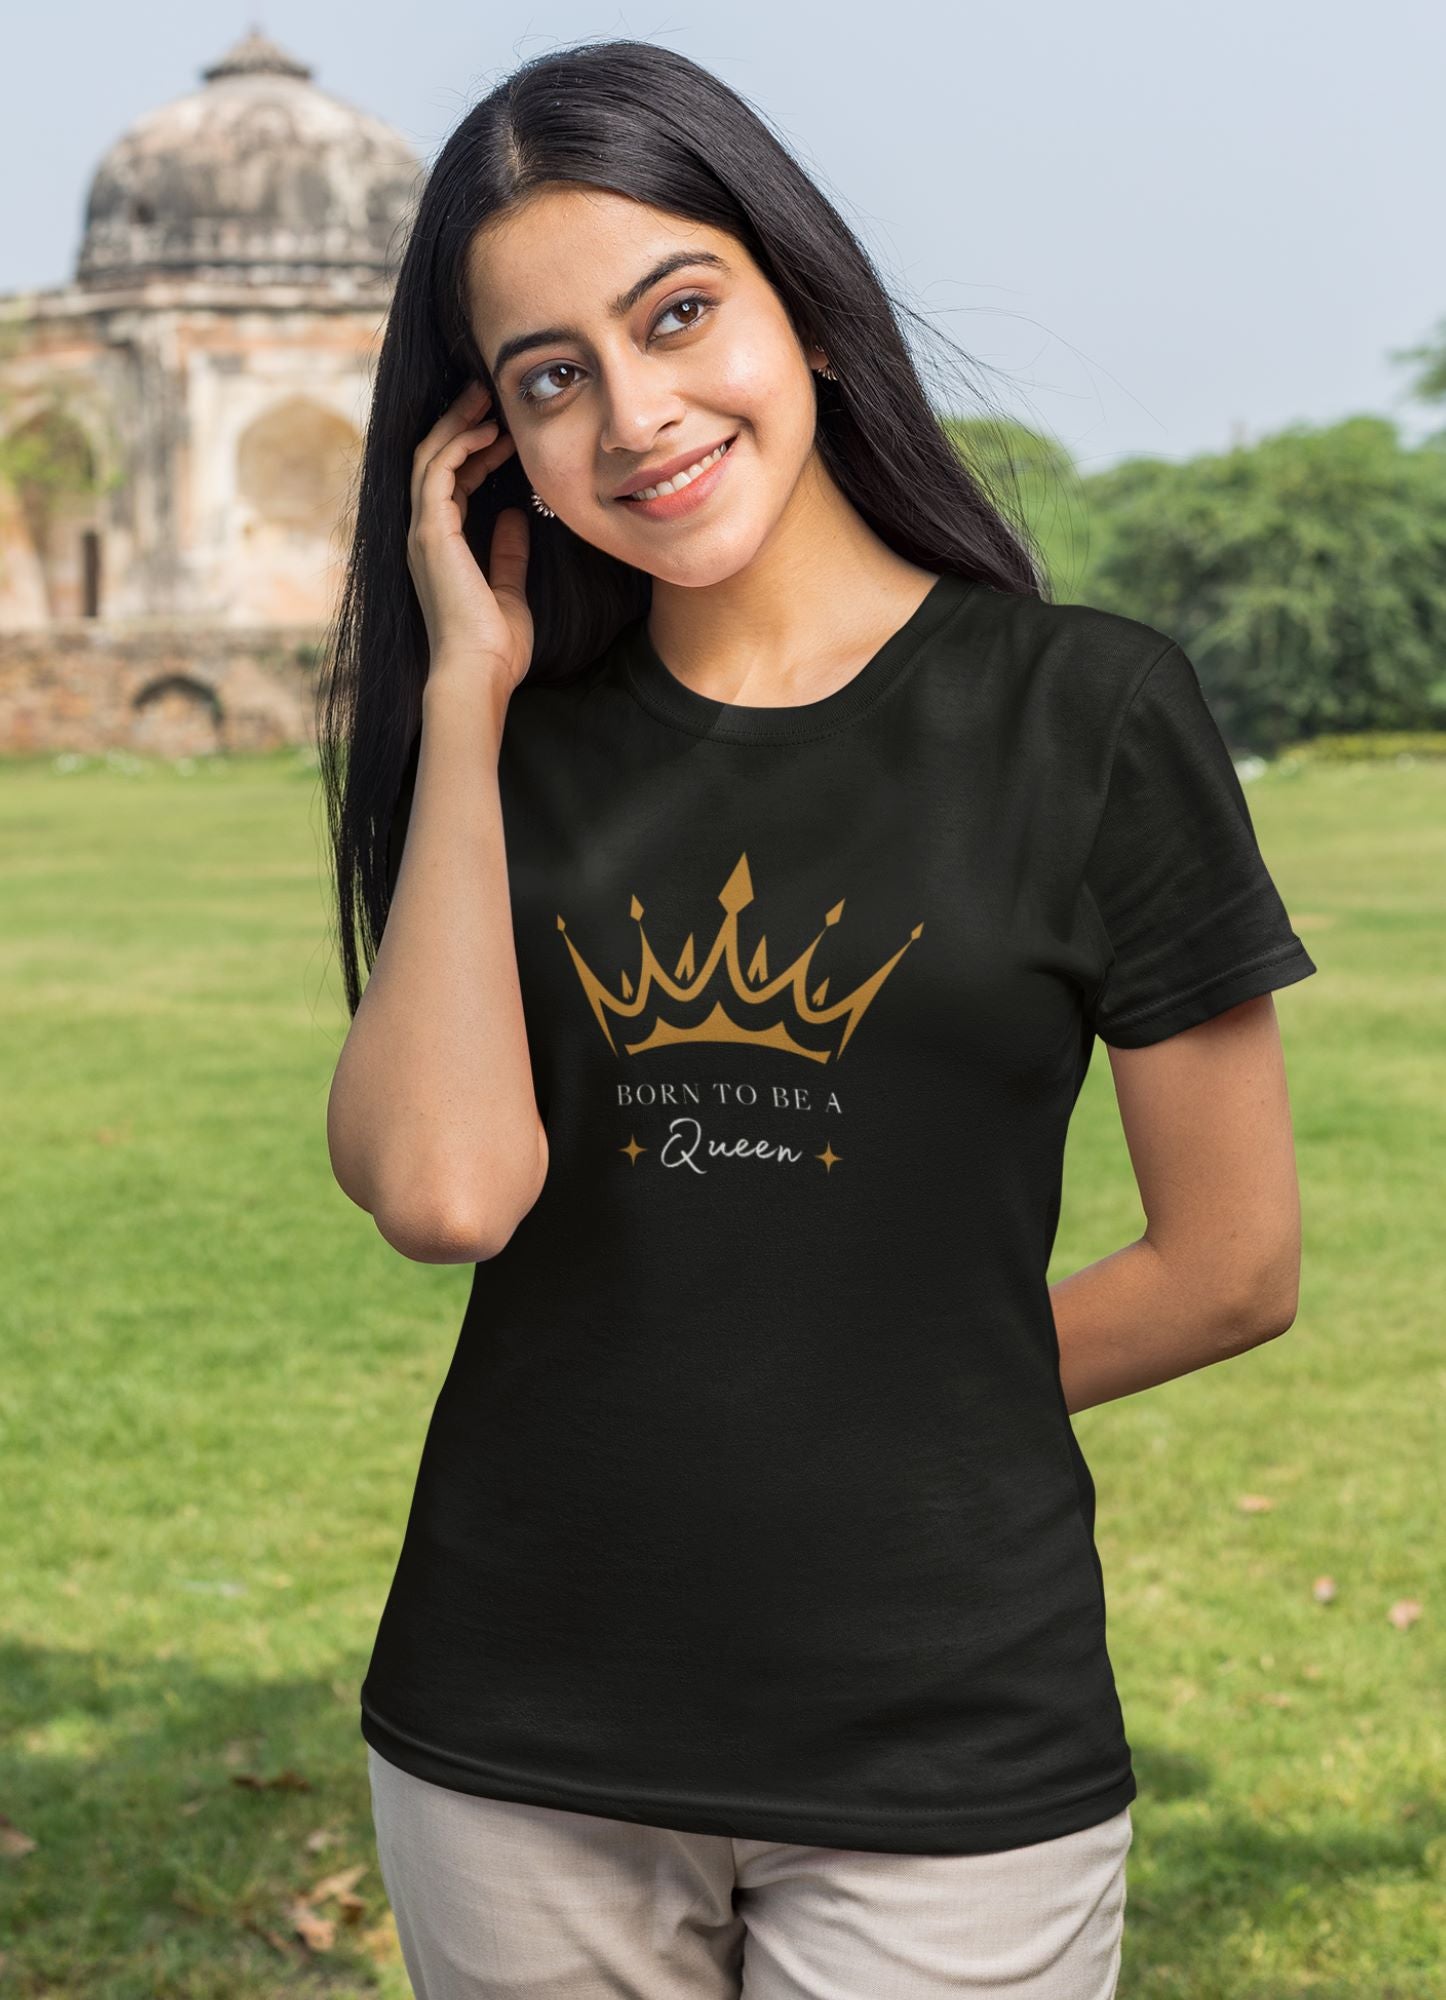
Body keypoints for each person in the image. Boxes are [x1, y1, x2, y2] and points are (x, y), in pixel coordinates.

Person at [319, 38, 1316, 2000]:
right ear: (489, 445)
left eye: (679, 313)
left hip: (950, 1741)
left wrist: (866, 1406)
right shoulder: (510, 756)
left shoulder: (1091, 713)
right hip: (520, 1732)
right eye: (549, 377)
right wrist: (461, 695)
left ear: (812, 311)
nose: (636, 413)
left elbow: (1234, 1264)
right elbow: (444, 1188)